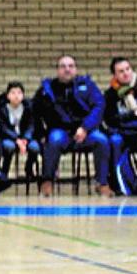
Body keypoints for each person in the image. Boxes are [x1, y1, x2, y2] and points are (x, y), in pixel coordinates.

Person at [32, 55, 111, 197]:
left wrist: (85, 127)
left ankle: (102, 183)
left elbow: (99, 106)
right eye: (63, 66)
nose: (67, 69)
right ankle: (47, 181)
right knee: (53, 140)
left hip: (86, 131)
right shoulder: (47, 89)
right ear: (57, 70)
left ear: (76, 69)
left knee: (102, 140)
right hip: (60, 131)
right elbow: (34, 113)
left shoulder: (88, 85)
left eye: (71, 66)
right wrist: (41, 134)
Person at [104, 57, 137, 196]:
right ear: (115, 75)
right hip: (122, 134)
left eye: (128, 69)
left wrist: (124, 120)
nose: (126, 73)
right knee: (114, 141)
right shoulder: (110, 94)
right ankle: (122, 183)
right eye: (121, 71)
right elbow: (110, 119)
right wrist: (133, 114)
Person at [0, 81, 40, 179]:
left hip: (25, 138)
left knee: (35, 147)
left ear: (23, 95)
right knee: (8, 146)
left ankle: (29, 168)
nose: (16, 96)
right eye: (13, 93)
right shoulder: (3, 109)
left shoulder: (28, 108)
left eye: (19, 93)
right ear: (8, 96)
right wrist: (16, 139)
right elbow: (3, 128)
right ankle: (4, 171)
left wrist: (25, 139)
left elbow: (31, 125)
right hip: (9, 138)